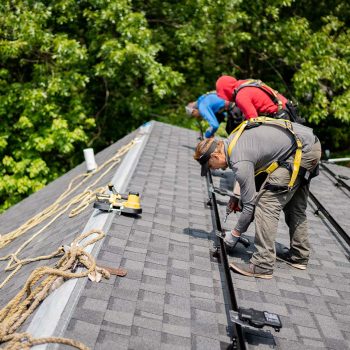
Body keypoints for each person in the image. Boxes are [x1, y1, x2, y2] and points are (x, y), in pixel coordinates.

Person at [193, 119, 321, 279]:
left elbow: (250, 205)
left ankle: (263, 264)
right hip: (308, 144)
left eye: (211, 166)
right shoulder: (234, 140)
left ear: (215, 155)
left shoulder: (239, 160)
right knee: (294, 206)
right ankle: (299, 256)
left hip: (301, 151)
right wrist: (236, 196)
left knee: (266, 204)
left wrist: (234, 235)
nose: (213, 170)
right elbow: (255, 171)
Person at [216, 75, 303, 123]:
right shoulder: (246, 83)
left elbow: (254, 120)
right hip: (287, 109)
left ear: (226, 91)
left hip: (280, 117)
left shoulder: (241, 96)